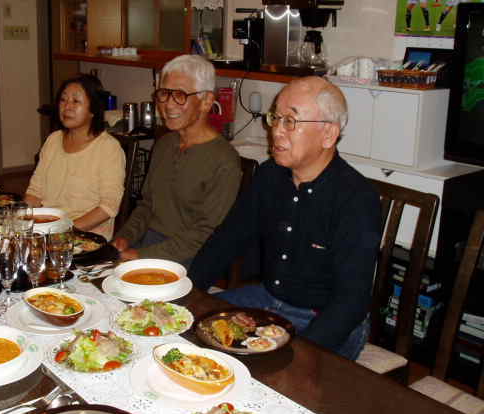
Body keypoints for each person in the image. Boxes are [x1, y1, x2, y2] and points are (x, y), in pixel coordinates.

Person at [188, 77, 381, 361]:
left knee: (273, 372)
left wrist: (299, 354)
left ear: (328, 134)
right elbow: (228, 238)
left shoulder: (356, 199)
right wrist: (189, 295)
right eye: (275, 118)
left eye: (290, 121)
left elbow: (350, 302)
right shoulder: (270, 175)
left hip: (325, 319)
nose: (276, 131)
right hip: (267, 301)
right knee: (188, 329)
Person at [111, 55, 241, 266]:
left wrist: (140, 256)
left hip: (190, 259)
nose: (168, 104)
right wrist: (124, 238)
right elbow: (147, 205)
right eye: (164, 94)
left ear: (207, 101)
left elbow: (204, 233)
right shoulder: (165, 144)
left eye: (180, 95)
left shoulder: (225, 161)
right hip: (148, 246)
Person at [25, 74, 125, 241]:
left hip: (85, 238)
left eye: (76, 101)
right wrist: (20, 221)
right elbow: (35, 192)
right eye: (63, 100)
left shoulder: (109, 148)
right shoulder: (53, 140)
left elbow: (108, 207)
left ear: (93, 109)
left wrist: (65, 232)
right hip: (47, 232)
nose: (67, 107)